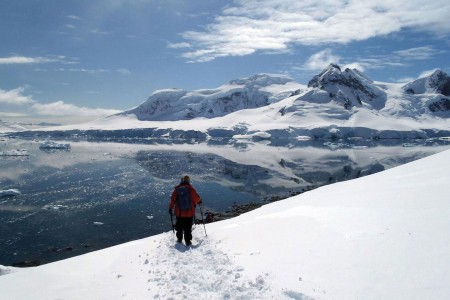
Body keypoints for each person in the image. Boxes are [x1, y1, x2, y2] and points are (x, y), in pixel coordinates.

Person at [169, 175, 202, 245]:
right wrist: (199, 201)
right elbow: (196, 199)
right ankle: (187, 241)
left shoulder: (177, 189)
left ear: (182, 181)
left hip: (179, 213)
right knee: (188, 227)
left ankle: (179, 239)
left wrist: (170, 208)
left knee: (179, 226)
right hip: (189, 213)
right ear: (188, 181)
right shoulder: (191, 189)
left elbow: (172, 199)